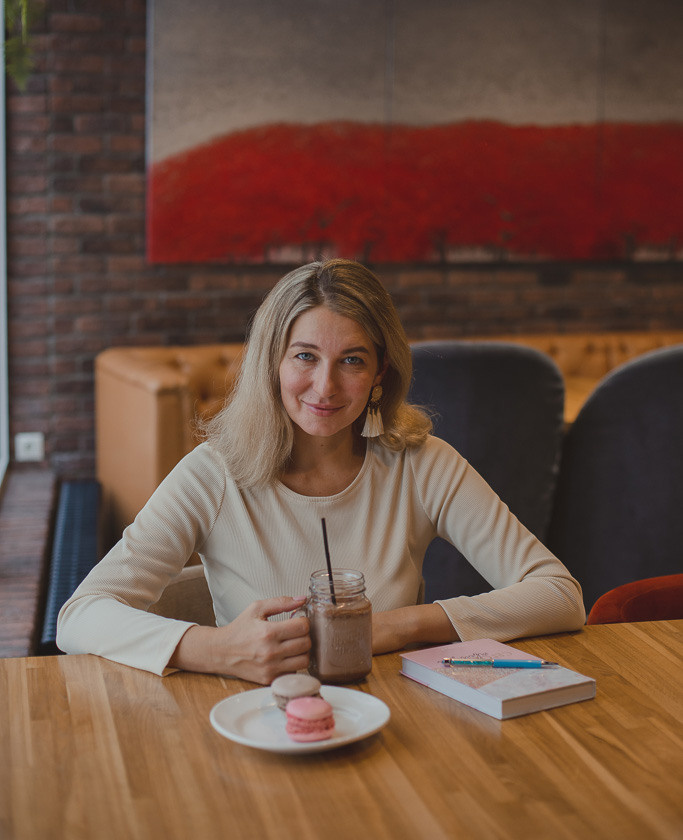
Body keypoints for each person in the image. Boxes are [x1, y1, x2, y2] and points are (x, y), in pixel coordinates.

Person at [57, 258, 585, 682]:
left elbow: (559, 595)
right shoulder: (213, 474)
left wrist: (389, 628)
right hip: (258, 730)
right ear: (272, 363)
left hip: (396, 728)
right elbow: (80, 615)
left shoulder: (423, 465)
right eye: (305, 356)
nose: (325, 387)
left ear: (381, 370)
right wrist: (214, 649)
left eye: (352, 360)